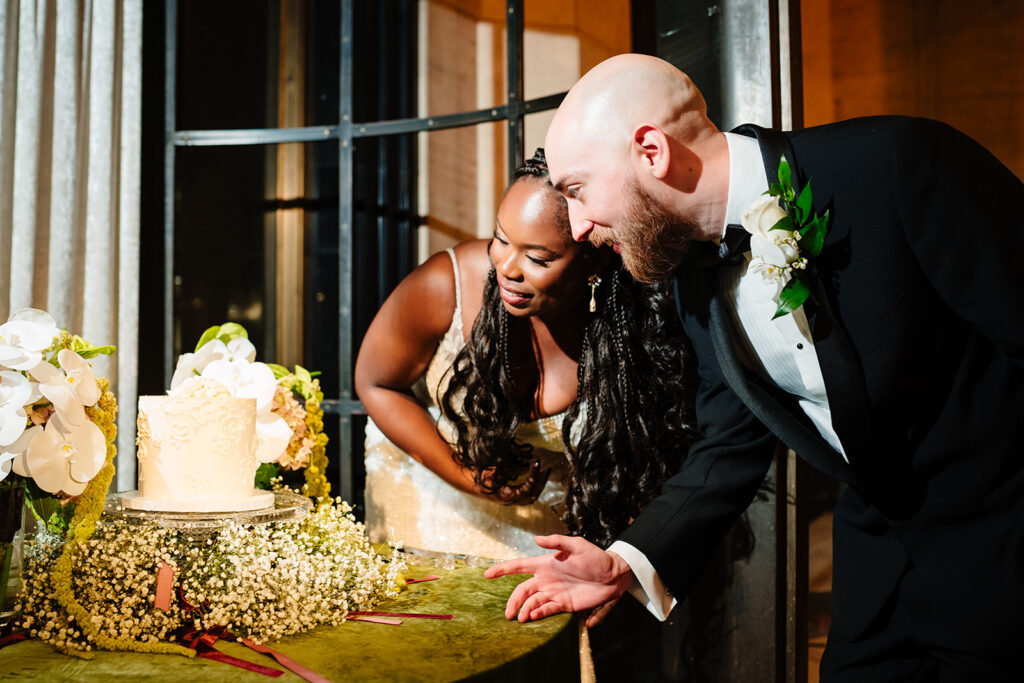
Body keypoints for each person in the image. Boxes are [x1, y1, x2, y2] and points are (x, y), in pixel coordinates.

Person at [485, 54, 1024, 681]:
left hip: (1005, 545)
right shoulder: (689, 279)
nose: (577, 228)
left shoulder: (898, 164)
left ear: (651, 151)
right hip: (882, 562)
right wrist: (623, 562)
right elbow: (730, 442)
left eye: (577, 191)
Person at [355, 149, 690, 561]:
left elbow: (653, 462)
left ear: (597, 257)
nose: (507, 268)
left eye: (537, 258)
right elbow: (376, 383)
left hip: (546, 525)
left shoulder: (629, 327)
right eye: (500, 238)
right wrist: (465, 477)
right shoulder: (448, 286)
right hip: (425, 499)